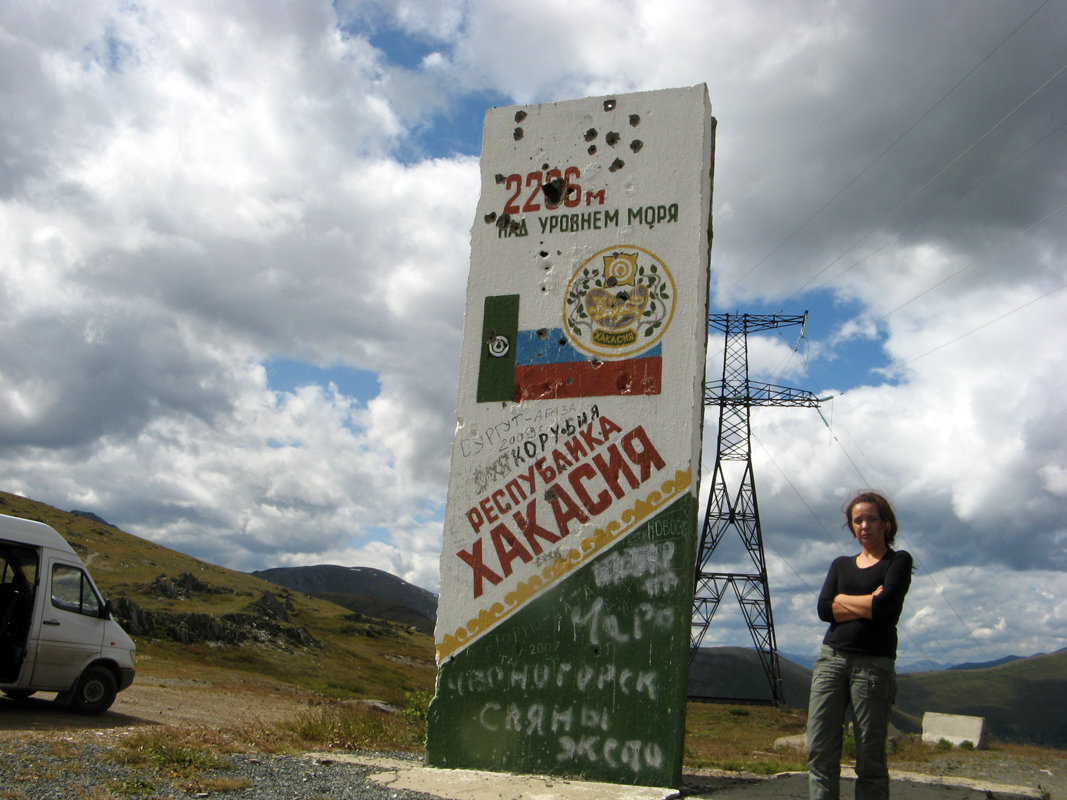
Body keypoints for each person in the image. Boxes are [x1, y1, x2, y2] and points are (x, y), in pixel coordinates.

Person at [807, 491, 913, 800]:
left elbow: (886, 609)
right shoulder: (840, 565)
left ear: (886, 524)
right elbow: (825, 610)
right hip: (832, 659)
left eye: (871, 519)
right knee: (820, 748)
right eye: (858, 520)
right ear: (851, 527)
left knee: (870, 755)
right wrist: (867, 600)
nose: (864, 525)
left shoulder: (898, 560)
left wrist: (843, 600)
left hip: (873, 665)